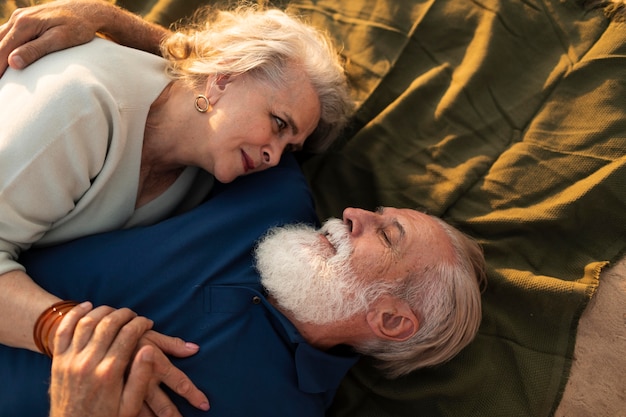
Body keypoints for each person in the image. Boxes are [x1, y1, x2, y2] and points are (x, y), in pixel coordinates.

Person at [0, 1, 352, 414]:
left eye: (288, 146)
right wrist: (76, 335)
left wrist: (109, 17)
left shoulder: (211, 164)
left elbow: (198, 57)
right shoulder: (81, 105)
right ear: (222, 80)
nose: (275, 158)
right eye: (278, 124)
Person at [0, 155, 486, 417]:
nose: (355, 212)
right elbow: (230, 85)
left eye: (387, 234)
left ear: (391, 319)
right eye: (377, 213)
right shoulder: (275, 194)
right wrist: (102, 21)